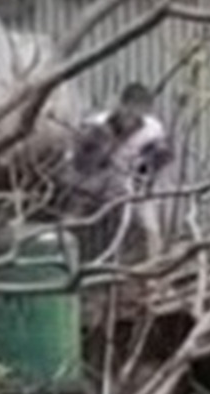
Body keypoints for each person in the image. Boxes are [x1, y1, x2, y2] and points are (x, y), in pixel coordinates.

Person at [70, 83, 173, 264]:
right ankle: (69, 252)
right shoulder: (97, 124)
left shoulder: (152, 129)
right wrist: (103, 144)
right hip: (98, 178)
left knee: (150, 224)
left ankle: (155, 268)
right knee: (76, 212)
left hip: (132, 181)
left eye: (141, 110)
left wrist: (147, 165)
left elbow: (164, 156)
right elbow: (80, 163)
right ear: (121, 104)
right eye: (130, 109)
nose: (134, 115)